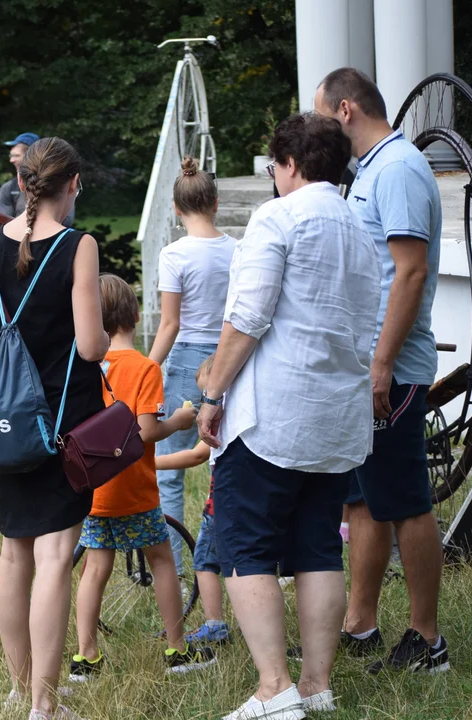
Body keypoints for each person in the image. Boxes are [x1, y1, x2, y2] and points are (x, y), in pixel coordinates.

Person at [196, 113, 381, 719]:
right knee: (318, 548)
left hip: (272, 416)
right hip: (335, 418)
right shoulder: (358, 225)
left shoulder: (279, 216)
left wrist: (212, 391)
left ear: (292, 164)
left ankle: (274, 689)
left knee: (245, 548)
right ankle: (316, 685)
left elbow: (247, 316)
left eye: (275, 166)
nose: (274, 177)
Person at [0, 137, 108, 720]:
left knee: (13, 553)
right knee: (54, 557)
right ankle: (44, 705)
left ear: (22, 184)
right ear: (70, 185)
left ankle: (19, 687)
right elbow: (94, 344)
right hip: (65, 423)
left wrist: (2, 390)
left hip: (8, 422)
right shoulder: (79, 246)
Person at [315, 67, 448, 675]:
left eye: (320, 116)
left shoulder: (397, 170)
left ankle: (428, 640)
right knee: (363, 501)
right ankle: (360, 625)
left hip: (389, 371)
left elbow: (411, 272)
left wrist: (381, 366)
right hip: (364, 366)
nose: (317, 129)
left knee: (406, 503)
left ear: (345, 109)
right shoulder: (369, 170)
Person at [71, 274, 208, 682]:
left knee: (95, 569)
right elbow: (146, 431)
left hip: (94, 488)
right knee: (163, 561)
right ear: (135, 315)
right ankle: (177, 649)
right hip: (134, 489)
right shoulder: (145, 367)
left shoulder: (86, 366)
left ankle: (86, 657)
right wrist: (179, 420)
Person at [147, 157, 236, 569]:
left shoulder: (174, 254)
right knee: (240, 465)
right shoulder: (238, 249)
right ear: (215, 203)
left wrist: (146, 370)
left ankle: (176, 570)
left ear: (176, 209)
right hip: (230, 359)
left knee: (169, 472)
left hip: (185, 365)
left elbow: (169, 324)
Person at [155, 354, 230, 646]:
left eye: (206, 393)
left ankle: (215, 625)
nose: (203, 401)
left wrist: (151, 463)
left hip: (220, 504)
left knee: (204, 561)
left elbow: (197, 455)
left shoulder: (219, 420)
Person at [0, 133, 75, 226]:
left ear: (31, 157)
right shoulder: (8, 189)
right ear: (20, 182)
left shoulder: (57, 183)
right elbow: (2, 222)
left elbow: (67, 220)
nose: (11, 160)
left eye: (16, 155)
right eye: (11, 156)